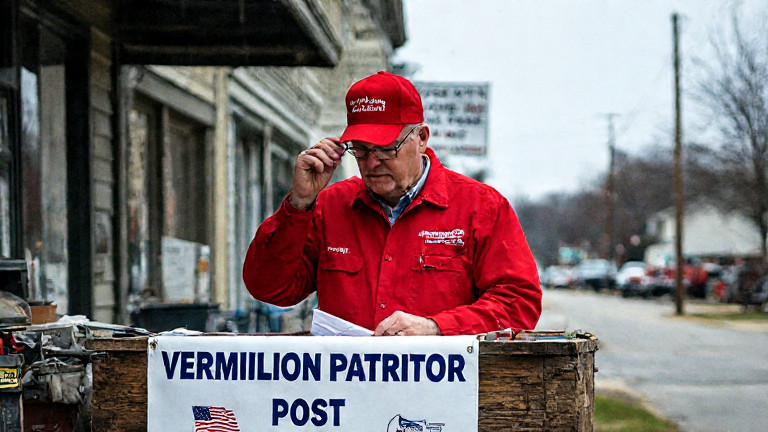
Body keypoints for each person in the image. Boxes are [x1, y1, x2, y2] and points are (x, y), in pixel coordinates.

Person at [243, 71, 541, 336]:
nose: (372, 163)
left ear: (421, 138)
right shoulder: (327, 206)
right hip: (347, 391)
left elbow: (518, 302)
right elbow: (269, 288)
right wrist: (299, 204)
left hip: (439, 391)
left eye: (386, 149)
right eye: (360, 150)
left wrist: (438, 327)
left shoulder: (481, 207)